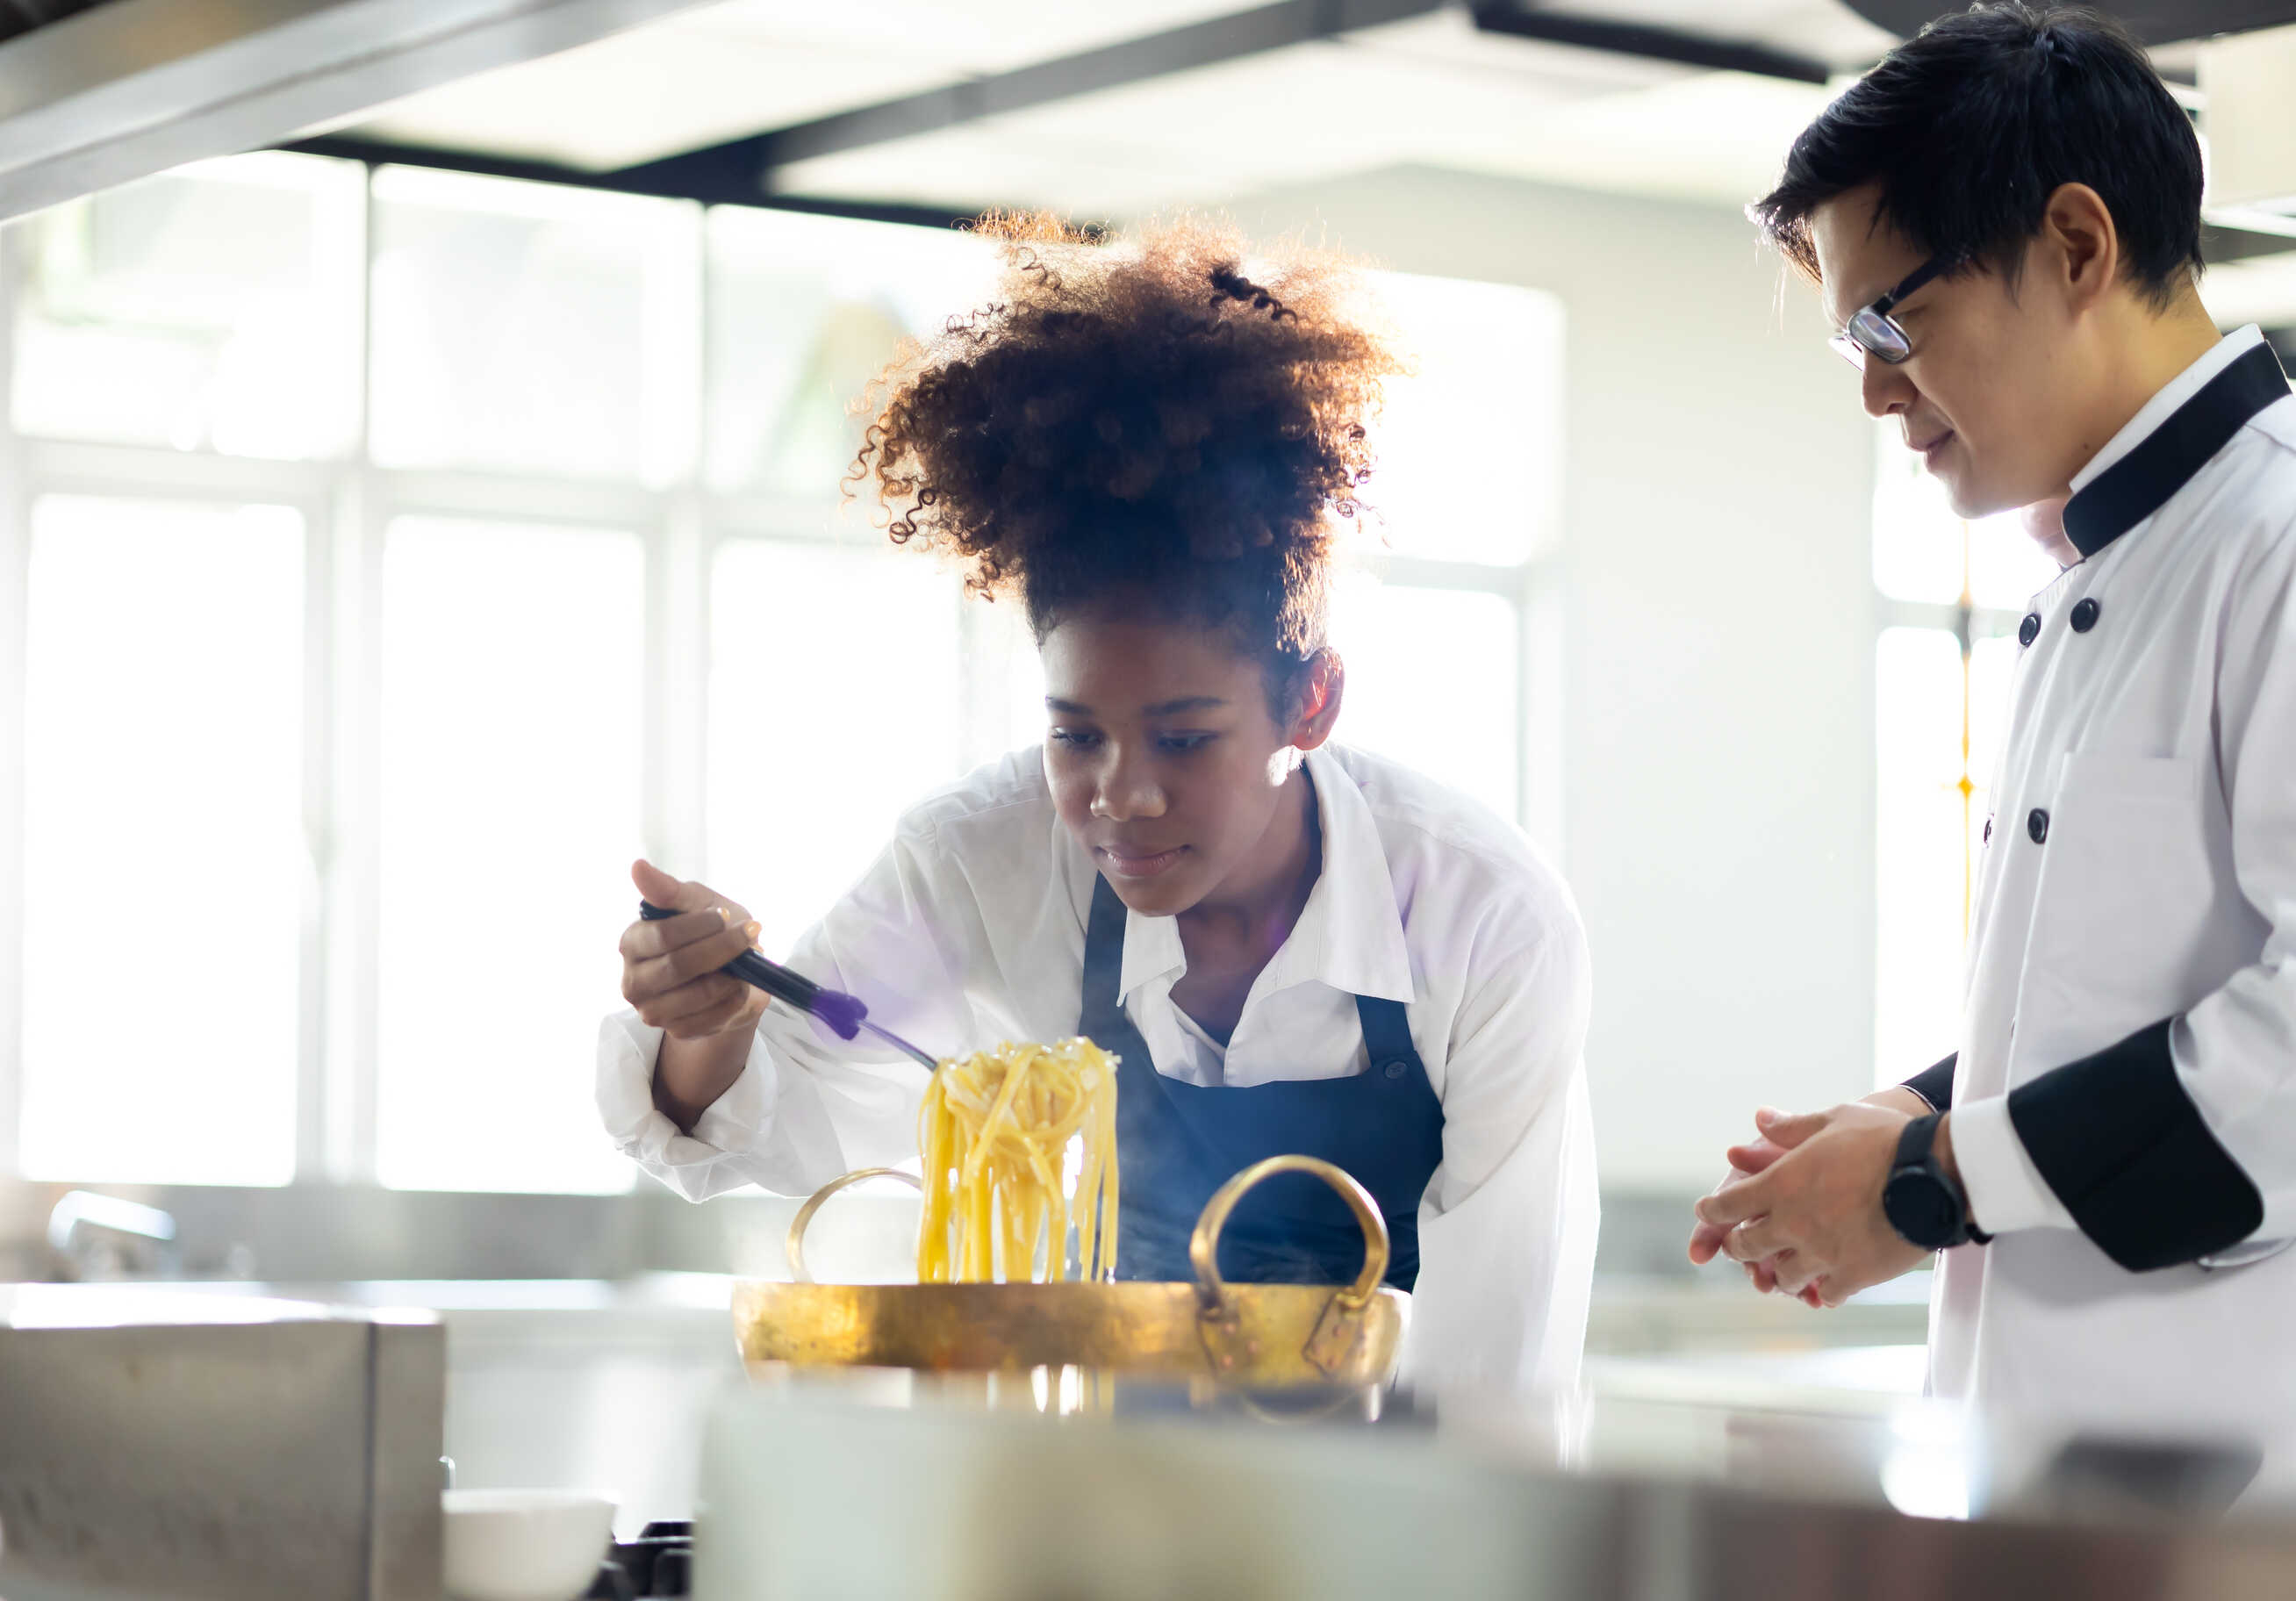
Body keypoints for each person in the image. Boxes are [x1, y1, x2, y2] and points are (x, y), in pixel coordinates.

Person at [598, 215, 1597, 1392]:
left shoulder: (1478, 912)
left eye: (1184, 737)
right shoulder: (980, 863)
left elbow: (1502, 1360)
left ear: (1310, 702)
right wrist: (708, 1031)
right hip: (1089, 1488)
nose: (1120, 796)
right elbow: (785, 1116)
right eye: (1076, 736)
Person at [1690, 3, 2296, 1463]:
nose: (1880, 389)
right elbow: (2144, 992)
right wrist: (1920, 1110)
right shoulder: (2116, 571)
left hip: (2268, 1482)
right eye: (1853, 349)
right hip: (2070, 1471)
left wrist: (1930, 1180)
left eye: (1894, 322)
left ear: (2077, 246)